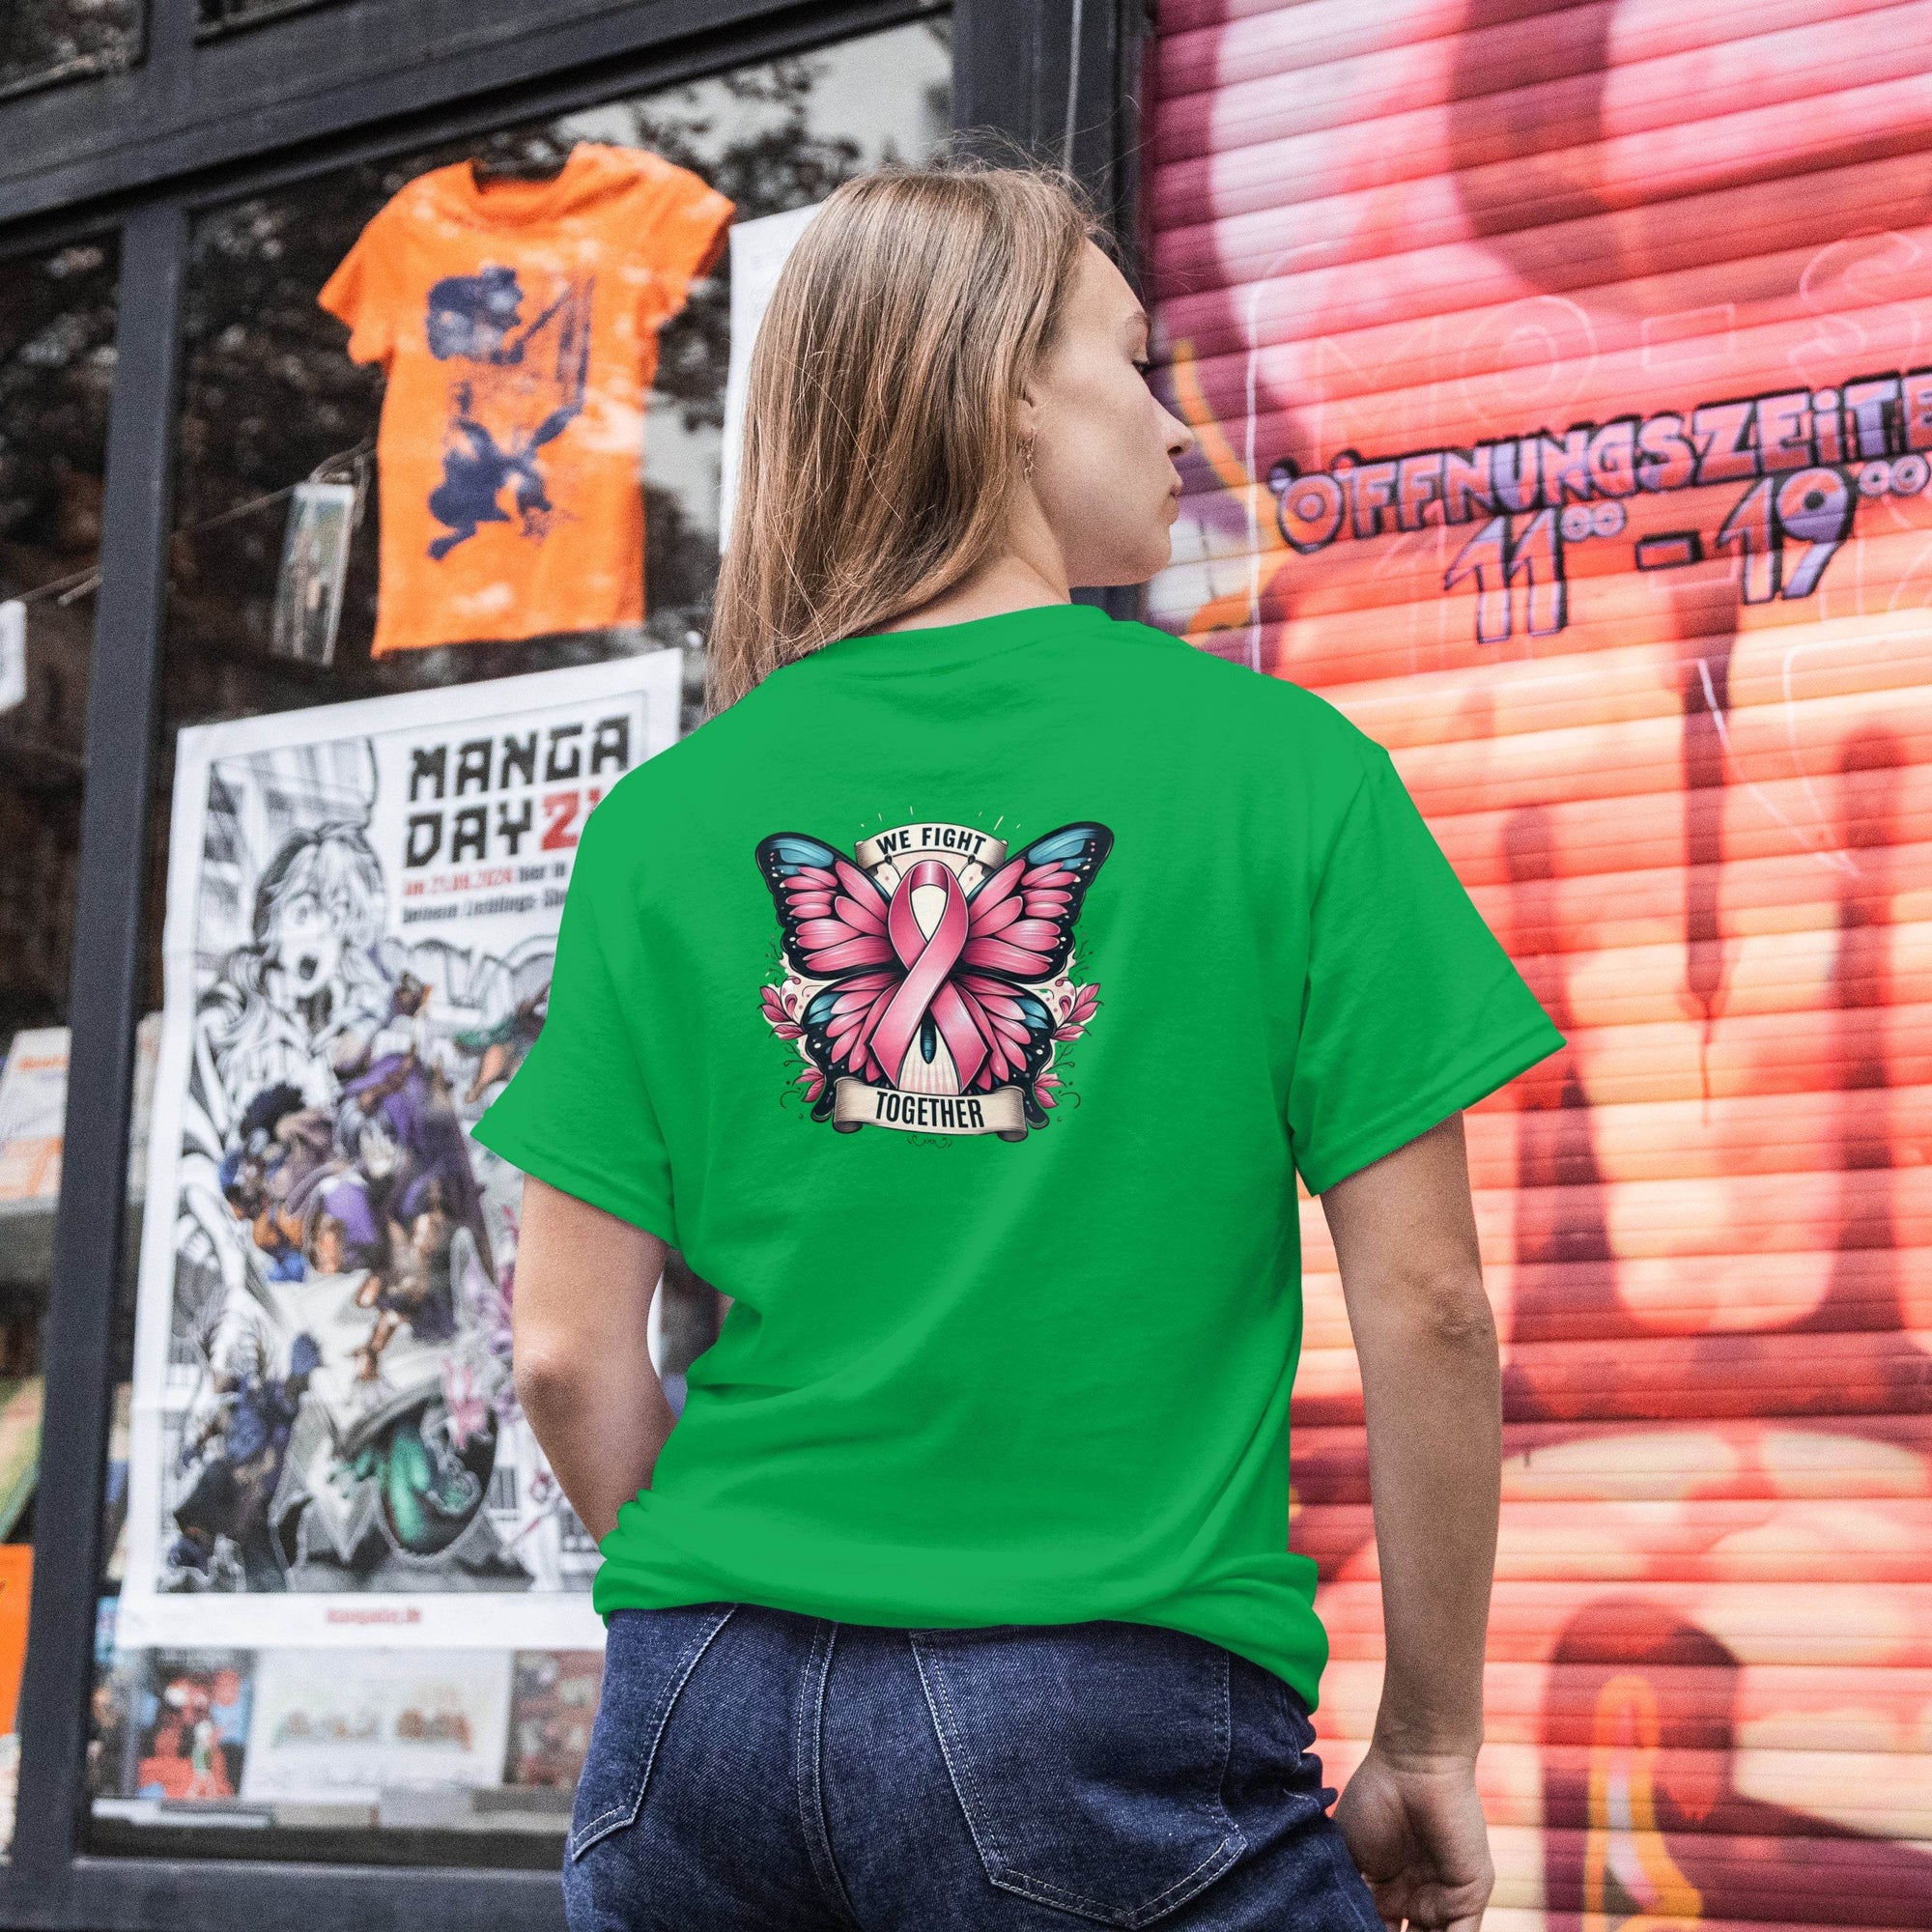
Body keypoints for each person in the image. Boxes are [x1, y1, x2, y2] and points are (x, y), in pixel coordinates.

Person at [471, 158, 1564, 1932]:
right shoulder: (1281, 773)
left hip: (695, 1726)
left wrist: (740, 1616)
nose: (1175, 426)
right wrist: (1429, 1737)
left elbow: (563, 1356)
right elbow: (1430, 1303)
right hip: (1102, 1709)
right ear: (999, 393)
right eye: (1131, 364)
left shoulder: (666, 822)